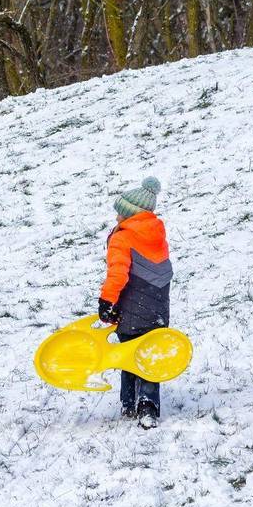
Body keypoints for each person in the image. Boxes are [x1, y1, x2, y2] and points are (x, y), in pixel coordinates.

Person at [97, 177, 172, 429]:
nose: (117, 217)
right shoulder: (157, 234)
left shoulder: (123, 238)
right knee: (148, 353)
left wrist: (107, 301)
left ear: (130, 214)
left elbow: (118, 273)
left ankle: (131, 403)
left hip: (131, 306)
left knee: (128, 353)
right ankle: (146, 405)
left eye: (120, 212)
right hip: (157, 306)